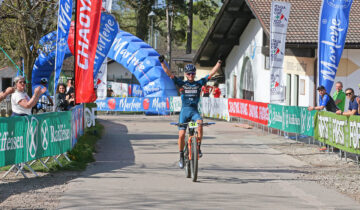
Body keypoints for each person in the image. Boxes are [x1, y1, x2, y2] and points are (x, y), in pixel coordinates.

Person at [159, 54, 223, 169]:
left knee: (200, 124)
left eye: (192, 73)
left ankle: (198, 148)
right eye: (188, 73)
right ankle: (181, 156)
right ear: (185, 74)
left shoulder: (199, 83)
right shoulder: (182, 83)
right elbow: (169, 73)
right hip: (184, 112)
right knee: (182, 135)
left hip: (194, 112)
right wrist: (162, 62)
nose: (191, 75)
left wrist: (219, 62)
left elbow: (211, 73)